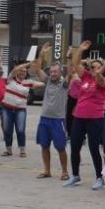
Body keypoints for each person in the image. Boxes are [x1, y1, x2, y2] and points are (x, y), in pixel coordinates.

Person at [64, 41, 105, 189]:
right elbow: (75, 63)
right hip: (79, 117)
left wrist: (98, 72)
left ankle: (99, 178)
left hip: (95, 119)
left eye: (96, 67)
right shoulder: (85, 77)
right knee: (75, 146)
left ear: (102, 69)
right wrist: (80, 50)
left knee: (93, 148)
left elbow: (99, 80)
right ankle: (75, 175)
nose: (93, 69)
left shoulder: (104, 81)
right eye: (92, 67)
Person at [33, 44, 69, 180]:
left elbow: (71, 72)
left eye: (55, 72)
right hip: (44, 118)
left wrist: (69, 57)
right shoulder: (47, 81)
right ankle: (47, 171)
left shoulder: (64, 83)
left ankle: (65, 172)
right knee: (44, 146)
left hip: (58, 120)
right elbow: (37, 69)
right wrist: (41, 54)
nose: (53, 73)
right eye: (51, 71)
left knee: (60, 147)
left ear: (60, 73)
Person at [0, 57, 44, 158]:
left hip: (20, 109)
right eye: (21, 70)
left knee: (20, 129)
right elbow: (15, 69)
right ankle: (8, 150)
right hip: (7, 108)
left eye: (25, 71)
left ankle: (22, 149)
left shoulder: (28, 82)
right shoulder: (11, 79)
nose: (23, 72)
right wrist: (28, 64)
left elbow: (43, 83)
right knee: (7, 129)